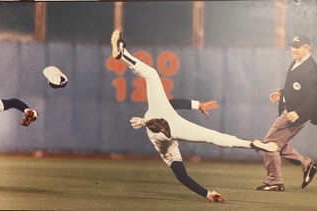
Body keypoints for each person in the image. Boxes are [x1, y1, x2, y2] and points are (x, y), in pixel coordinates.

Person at [111, 30, 279, 202]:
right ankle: (251, 144)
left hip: (160, 118)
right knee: (210, 136)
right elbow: (183, 177)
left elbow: (173, 104)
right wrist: (206, 194)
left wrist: (198, 105)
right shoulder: (171, 152)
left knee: (152, 75)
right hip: (164, 127)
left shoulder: (169, 137)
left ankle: (123, 54)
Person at [255, 35, 317, 191]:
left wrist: (298, 113)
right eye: (293, 46)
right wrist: (282, 94)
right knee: (277, 144)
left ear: (307, 48)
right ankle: (307, 164)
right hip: (290, 111)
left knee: (269, 145)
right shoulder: (298, 61)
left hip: (296, 115)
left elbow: (316, 97)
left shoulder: (311, 69)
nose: (294, 50)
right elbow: (298, 89)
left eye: (298, 46)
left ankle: (275, 181)